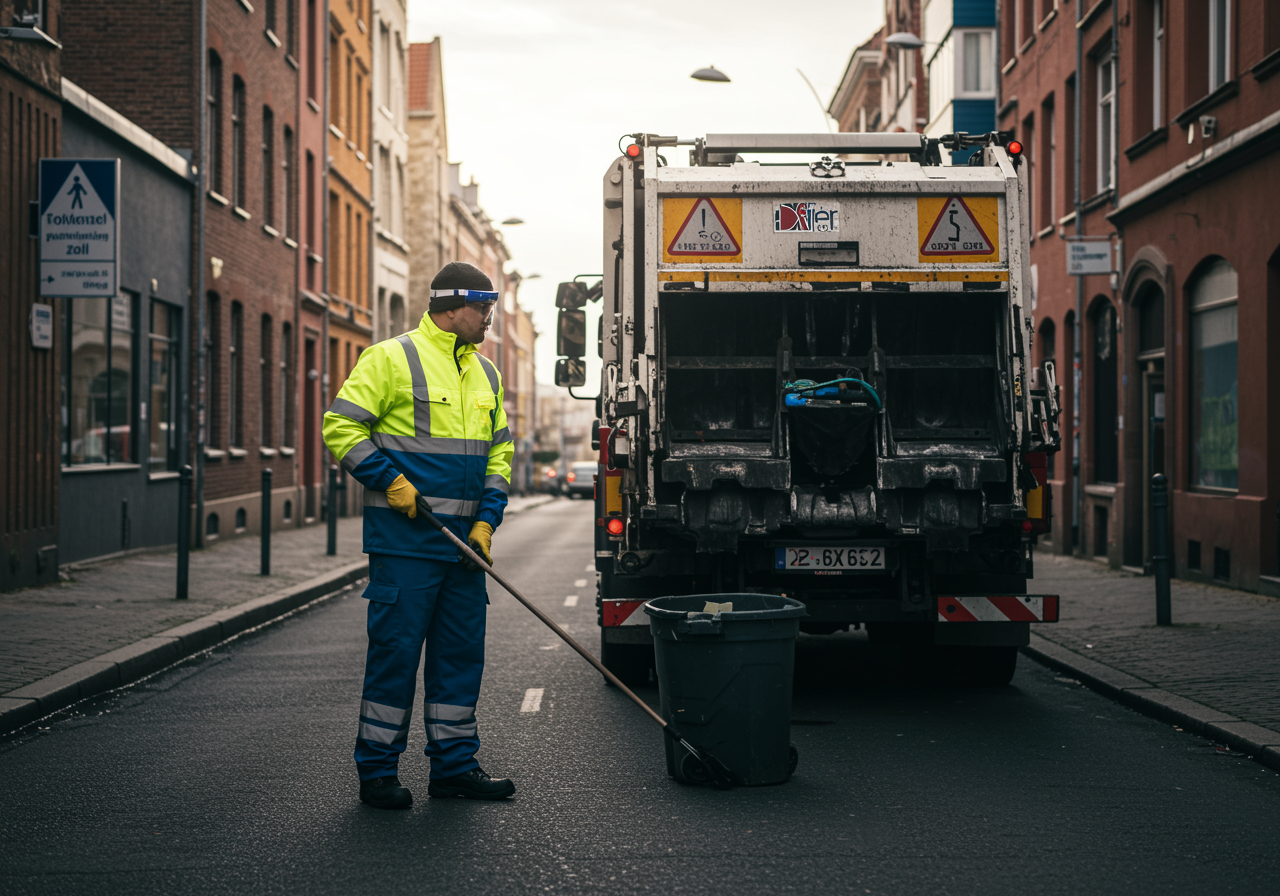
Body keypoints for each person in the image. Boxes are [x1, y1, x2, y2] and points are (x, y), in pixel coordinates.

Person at [322, 261, 515, 809]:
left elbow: (498, 453)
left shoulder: (487, 374)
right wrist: (390, 481)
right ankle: (377, 773)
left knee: (459, 660)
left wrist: (487, 520)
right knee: (396, 657)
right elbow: (341, 425)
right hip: (406, 542)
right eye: (482, 309)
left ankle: (454, 767)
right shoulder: (390, 358)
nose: (488, 319)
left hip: (462, 549)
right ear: (451, 307)